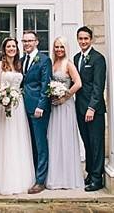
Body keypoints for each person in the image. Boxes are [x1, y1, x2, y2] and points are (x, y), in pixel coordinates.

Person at [0, 37, 35, 194]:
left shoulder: (19, 65)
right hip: (4, 107)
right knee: (6, 140)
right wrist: (2, 99)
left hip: (18, 105)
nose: (11, 49)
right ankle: (5, 180)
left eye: (14, 46)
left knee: (19, 139)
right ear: (4, 49)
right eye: (8, 46)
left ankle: (21, 177)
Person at [46, 36, 84, 190]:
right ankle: (55, 177)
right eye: (56, 47)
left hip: (65, 106)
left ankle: (68, 178)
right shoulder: (52, 63)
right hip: (54, 106)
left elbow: (78, 83)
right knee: (54, 139)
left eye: (62, 47)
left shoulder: (68, 64)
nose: (59, 50)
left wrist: (65, 96)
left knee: (65, 139)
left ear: (66, 48)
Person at [73, 26, 106, 192]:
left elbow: (98, 86)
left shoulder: (98, 59)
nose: (83, 41)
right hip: (79, 107)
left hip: (94, 109)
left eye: (86, 38)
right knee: (87, 142)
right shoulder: (76, 57)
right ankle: (90, 173)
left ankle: (97, 177)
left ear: (91, 39)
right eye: (80, 38)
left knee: (96, 143)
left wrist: (92, 108)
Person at [21, 31, 52, 194]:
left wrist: (41, 105)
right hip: (22, 109)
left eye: (30, 41)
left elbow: (46, 83)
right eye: (24, 41)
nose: (27, 44)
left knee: (40, 144)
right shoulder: (21, 60)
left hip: (38, 109)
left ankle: (40, 181)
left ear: (37, 42)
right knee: (29, 144)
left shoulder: (44, 60)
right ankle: (30, 175)